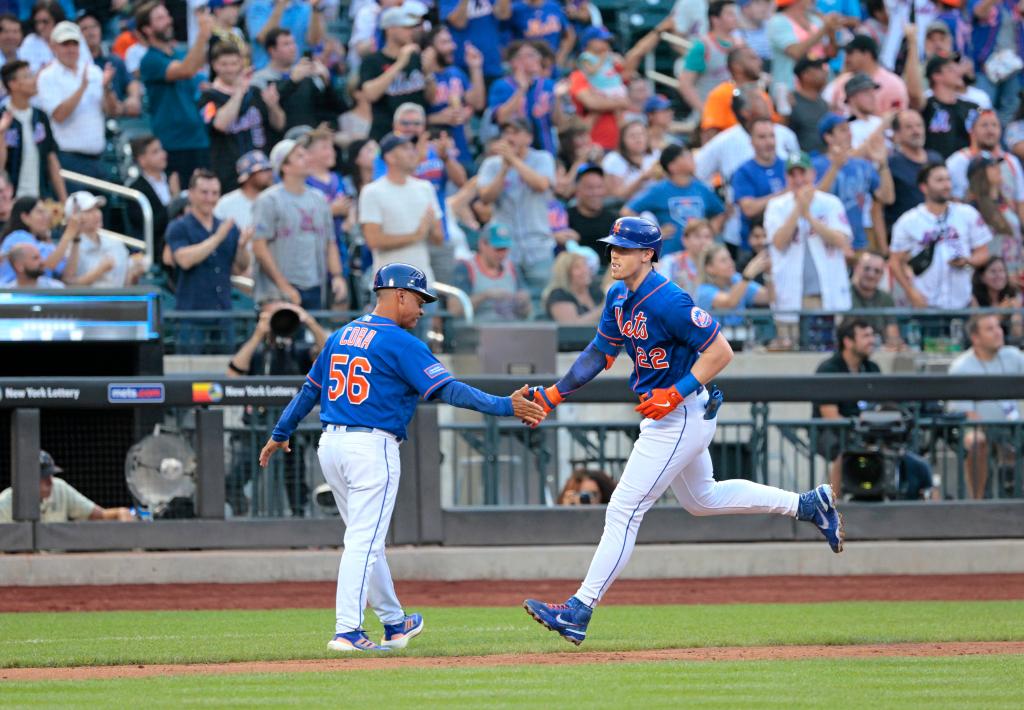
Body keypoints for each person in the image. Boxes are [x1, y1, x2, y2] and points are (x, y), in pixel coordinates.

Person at [521, 216, 845, 647]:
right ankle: (807, 505)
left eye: (623, 248)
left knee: (623, 509)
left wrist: (677, 392)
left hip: (679, 415)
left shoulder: (668, 299)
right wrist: (556, 394)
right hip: (671, 415)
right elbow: (599, 352)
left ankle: (580, 609)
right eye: (612, 246)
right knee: (702, 498)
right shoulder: (618, 294)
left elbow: (720, 350)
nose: (614, 254)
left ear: (648, 254)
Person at [260, 262, 544, 652]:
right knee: (365, 541)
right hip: (371, 447)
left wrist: (280, 431)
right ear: (399, 296)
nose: (423, 308)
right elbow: (449, 390)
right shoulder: (401, 342)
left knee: (365, 537)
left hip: (332, 446)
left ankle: (394, 623)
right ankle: (347, 630)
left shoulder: (343, 334)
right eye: (419, 299)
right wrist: (503, 405)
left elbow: (309, 390)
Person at [813, 318, 934, 498]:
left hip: (869, 429)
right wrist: (858, 431)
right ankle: (832, 507)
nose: (872, 341)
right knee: (844, 451)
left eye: (872, 335)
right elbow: (829, 414)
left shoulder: (872, 368)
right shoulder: (829, 369)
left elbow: (882, 406)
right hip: (833, 432)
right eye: (866, 336)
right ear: (848, 341)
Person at [765, 152, 853, 347]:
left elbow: (841, 241)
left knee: (832, 349)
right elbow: (779, 242)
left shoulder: (830, 203)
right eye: (792, 175)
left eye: (802, 173)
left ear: (812, 174)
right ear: (786, 178)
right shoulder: (776, 206)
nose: (798, 180)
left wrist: (810, 217)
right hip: (792, 296)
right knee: (793, 357)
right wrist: (798, 210)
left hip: (828, 294)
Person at [166, 170, 251, 353]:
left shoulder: (228, 227)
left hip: (223, 315)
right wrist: (217, 238)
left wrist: (242, 246)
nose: (210, 198)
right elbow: (184, 260)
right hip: (191, 317)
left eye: (214, 193)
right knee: (189, 377)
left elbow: (240, 267)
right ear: (191, 194)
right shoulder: (179, 226)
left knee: (225, 376)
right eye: (204, 192)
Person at [252, 138, 341, 310]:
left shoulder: (319, 199)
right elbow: (259, 247)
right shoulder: (269, 200)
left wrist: (337, 276)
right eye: (299, 156)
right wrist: (283, 285)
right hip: (278, 292)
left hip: (315, 285)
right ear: (285, 166)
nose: (307, 158)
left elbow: (330, 242)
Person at [889, 163, 991, 309]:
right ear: (924, 187)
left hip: (961, 301)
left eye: (948, 179)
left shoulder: (967, 213)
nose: (946, 185)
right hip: (926, 303)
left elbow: (983, 253)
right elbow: (894, 262)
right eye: (940, 180)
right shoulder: (908, 221)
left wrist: (967, 261)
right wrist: (911, 292)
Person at [477, 118, 557, 295]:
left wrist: (513, 160)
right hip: (505, 247)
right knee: (510, 302)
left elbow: (541, 185)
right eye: (506, 132)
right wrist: (504, 169)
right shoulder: (492, 164)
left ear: (528, 138)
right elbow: (485, 198)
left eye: (516, 132)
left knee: (541, 301)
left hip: (538, 245)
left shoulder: (542, 158)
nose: (510, 137)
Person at [948, 313, 1024, 499]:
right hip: (976, 427)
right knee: (976, 440)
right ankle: (979, 501)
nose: (998, 333)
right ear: (975, 337)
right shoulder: (961, 367)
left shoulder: (1013, 356)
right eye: (990, 329)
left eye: (998, 327)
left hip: (1013, 426)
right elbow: (964, 411)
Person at [137, 1, 212, 183]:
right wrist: (202, 34)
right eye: (160, 18)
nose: (169, 21)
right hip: (173, 144)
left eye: (167, 16)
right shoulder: (150, 60)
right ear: (147, 29)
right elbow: (185, 70)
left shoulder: (179, 53)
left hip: (199, 138)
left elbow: (195, 70)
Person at [360, 132, 443, 295]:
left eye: (413, 148)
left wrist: (431, 228)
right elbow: (373, 240)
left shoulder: (425, 188)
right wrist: (415, 235)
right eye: (405, 148)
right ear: (390, 157)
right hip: (389, 286)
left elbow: (438, 238)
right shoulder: (372, 192)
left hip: (424, 284)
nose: (413, 152)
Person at [34, 21, 118, 180]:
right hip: (68, 159)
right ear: (53, 47)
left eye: (75, 44)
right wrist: (82, 88)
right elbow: (59, 115)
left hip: (99, 157)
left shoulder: (94, 72)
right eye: (65, 44)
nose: (71, 49)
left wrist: (107, 88)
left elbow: (112, 112)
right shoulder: (47, 76)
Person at [568, 21, 668, 151]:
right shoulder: (579, 75)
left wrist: (658, 31)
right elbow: (592, 103)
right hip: (594, 145)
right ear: (589, 42)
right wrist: (621, 102)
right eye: (602, 40)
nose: (607, 44)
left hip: (619, 146)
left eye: (608, 41)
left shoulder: (611, 66)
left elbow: (635, 56)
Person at [199, 43, 285, 192]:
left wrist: (273, 106)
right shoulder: (207, 97)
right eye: (224, 64)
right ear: (214, 66)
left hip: (262, 171)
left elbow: (279, 125)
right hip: (229, 175)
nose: (230, 69)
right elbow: (220, 124)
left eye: (234, 63)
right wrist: (238, 92)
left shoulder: (255, 92)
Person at [624, 144, 725, 256]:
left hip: (700, 256)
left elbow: (719, 212)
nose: (692, 159)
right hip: (670, 256)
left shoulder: (701, 188)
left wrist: (710, 232)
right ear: (673, 166)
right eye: (686, 156)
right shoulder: (659, 190)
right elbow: (627, 211)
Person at [814, 113, 894, 253]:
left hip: (859, 242)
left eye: (849, 129)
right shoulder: (816, 164)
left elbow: (887, 198)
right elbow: (813, 201)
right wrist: (835, 167)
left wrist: (883, 165)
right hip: (827, 243)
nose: (849, 134)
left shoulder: (862, 165)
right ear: (828, 137)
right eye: (843, 130)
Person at [251, 29, 346, 134]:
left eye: (293, 43)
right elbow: (263, 109)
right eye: (286, 44)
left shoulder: (309, 76)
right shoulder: (260, 79)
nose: (293, 48)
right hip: (279, 142)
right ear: (272, 50)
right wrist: (292, 82)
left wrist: (327, 82)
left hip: (310, 139)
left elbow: (338, 108)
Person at [0, 450, 134, 522]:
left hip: (59, 564)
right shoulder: (4, 502)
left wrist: (120, 512)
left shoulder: (59, 488)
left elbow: (99, 515)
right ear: (26, 480)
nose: (50, 481)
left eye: (50, 475)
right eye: (43, 477)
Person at [359, 5, 429, 142]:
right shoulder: (372, 60)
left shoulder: (416, 57)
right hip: (385, 135)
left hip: (416, 135)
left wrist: (428, 72)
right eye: (406, 28)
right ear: (390, 29)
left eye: (412, 28)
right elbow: (370, 94)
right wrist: (400, 64)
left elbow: (430, 97)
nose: (411, 32)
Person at [0, 60, 67, 202]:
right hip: (10, 200)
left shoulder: (40, 116)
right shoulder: (2, 117)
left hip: (40, 198)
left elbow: (51, 158)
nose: (34, 80)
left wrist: (63, 199)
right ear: (13, 84)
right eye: (27, 76)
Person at [423, 26, 484, 167]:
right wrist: (436, 118)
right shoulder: (420, 77)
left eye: (451, 42)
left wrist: (475, 68)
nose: (453, 46)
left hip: (461, 149)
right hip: (433, 155)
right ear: (429, 49)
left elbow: (478, 103)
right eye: (445, 42)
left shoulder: (455, 72)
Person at [488, 40, 559, 156]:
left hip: (547, 152)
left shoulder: (548, 84)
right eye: (530, 55)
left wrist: (558, 99)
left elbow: (558, 122)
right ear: (514, 62)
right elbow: (501, 118)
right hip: (514, 155)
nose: (536, 59)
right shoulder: (501, 86)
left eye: (536, 55)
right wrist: (521, 89)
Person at [453, 222, 531, 321]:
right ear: (482, 244)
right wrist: (485, 296)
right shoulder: (465, 268)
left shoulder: (512, 268)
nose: (502, 254)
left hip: (510, 328)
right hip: (478, 331)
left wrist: (523, 302)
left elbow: (527, 312)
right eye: (498, 249)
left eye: (505, 249)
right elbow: (454, 310)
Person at [677, 1, 742, 118]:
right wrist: (704, 111)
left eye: (735, 14)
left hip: (736, 112)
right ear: (715, 19)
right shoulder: (702, 46)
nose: (735, 18)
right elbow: (685, 84)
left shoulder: (740, 44)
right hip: (712, 114)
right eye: (730, 14)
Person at [731, 117, 788, 252]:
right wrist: (783, 194)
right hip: (755, 247)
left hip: (787, 242)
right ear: (751, 141)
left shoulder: (788, 167)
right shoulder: (743, 172)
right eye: (762, 137)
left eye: (771, 136)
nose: (768, 142)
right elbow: (749, 209)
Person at [946, 110, 1024, 208]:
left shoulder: (1011, 161)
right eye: (984, 125)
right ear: (972, 130)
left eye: (994, 125)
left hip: (1007, 220)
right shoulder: (956, 162)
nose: (990, 130)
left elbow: (1021, 202)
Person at [967, 156, 1024, 283]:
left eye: (998, 165)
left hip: (1015, 273)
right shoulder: (973, 207)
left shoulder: (1005, 202)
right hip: (991, 278)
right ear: (980, 173)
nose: (998, 169)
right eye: (992, 165)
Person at [700, 46, 775, 141]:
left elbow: (774, 129)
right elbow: (709, 135)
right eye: (752, 58)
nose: (759, 63)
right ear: (737, 66)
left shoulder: (762, 95)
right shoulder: (721, 93)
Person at [886, 109, 944, 233]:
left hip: (937, 231)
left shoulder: (936, 158)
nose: (916, 131)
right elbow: (879, 206)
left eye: (919, 125)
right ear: (896, 134)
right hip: (904, 233)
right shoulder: (891, 163)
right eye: (909, 127)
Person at [967, 0, 1024, 126]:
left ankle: (1000, 141)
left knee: (1011, 109)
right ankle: (982, 139)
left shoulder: (1013, 3)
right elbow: (978, 12)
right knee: (984, 106)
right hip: (986, 66)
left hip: (1013, 65)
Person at [76, 10, 142, 118]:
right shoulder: (76, 66)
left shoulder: (114, 60)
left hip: (119, 121)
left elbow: (131, 82)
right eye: (84, 29)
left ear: (100, 30)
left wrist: (133, 98)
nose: (90, 32)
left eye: (94, 27)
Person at [767, 0, 840, 96]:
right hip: (791, 88)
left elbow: (831, 53)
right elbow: (795, 52)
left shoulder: (815, 20)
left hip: (821, 83)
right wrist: (824, 29)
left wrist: (831, 32)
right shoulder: (777, 21)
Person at [62, 191, 132, 288]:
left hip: (118, 301)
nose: (97, 214)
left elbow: (126, 283)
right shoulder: (68, 247)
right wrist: (99, 271)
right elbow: (69, 284)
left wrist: (135, 272)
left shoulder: (116, 243)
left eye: (97, 209)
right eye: (89, 211)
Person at [0, 195, 77, 283]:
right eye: (40, 212)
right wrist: (69, 233)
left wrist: (76, 239)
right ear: (25, 217)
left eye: (45, 212)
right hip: (13, 294)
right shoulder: (17, 237)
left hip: (40, 293)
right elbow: (44, 266)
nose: (46, 216)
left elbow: (68, 274)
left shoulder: (42, 242)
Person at [824, 34, 909, 112]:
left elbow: (897, 120)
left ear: (866, 54)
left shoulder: (892, 84)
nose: (846, 59)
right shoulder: (843, 81)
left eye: (850, 53)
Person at [127, 134, 176, 268]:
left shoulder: (174, 179)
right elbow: (148, 225)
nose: (163, 154)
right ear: (142, 160)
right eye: (155, 152)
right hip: (157, 248)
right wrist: (175, 200)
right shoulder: (135, 190)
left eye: (161, 150)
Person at [697, 243, 772, 331]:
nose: (730, 263)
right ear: (709, 268)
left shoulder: (737, 279)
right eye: (723, 260)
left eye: (729, 258)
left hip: (741, 339)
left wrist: (768, 274)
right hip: (715, 341)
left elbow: (767, 297)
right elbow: (729, 302)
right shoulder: (703, 291)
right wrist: (747, 276)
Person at [922, 55, 980, 160]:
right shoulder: (926, 106)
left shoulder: (973, 107)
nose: (959, 72)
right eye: (951, 69)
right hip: (936, 168)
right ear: (936, 76)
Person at [246, 0, 324, 71]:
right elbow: (264, 38)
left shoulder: (304, 8)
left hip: (296, 74)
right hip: (265, 75)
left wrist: (315, 8)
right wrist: (281, 4)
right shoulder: (258, 5)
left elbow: (314, 41)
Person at [568, 163, 618, 264]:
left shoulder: (614, 220)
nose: (596, 192)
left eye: (599, 187)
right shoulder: (566, 218)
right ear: (577, 190)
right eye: (590, 188)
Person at [215, 150, 274, 233]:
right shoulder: (226, 203)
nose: (269, 174)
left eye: (269, 169)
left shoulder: (273, 200)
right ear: (248, 176)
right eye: (263, 170)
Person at [601, 122, 660, 202]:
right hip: (625, 206)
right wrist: (642, 178)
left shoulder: (656, 155)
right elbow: (616, 196)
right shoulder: (613, 159)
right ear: (622, 140)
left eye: (641, 134)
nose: (638, 139)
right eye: (632, 136)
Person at [971, 256, 1023, 343]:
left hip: (1008, 348)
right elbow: (978, 332)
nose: (999, 275)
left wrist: (1016, 313)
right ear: (982, 277)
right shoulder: (974, 297)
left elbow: (1017, 337)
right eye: (993, 271)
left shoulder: (1012, 295)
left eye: (1001, 271)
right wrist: (1000, 314)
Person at [542, 250, 603, 324]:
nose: (585, 270)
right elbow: (572, 328)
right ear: (565, 273)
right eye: (577, 267)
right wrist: (603, 309)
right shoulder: (559, 295)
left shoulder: (594, 290)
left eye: (585, 265)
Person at [657, 218, 715, 295]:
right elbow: (662, 291)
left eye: (707, 237)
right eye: (697, 236)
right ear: (684, 240)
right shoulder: (671, 261)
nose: (703, 241)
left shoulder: (718, 263)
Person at [506, 0, 575, 66]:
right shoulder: (516, 9)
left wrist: (560, 57)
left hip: (551, 63)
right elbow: (503, 39)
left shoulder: (554, 6)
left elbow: (570, 34)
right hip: (526, 66)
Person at [787, 56, 830, 155]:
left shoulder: (824, 104)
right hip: (802, 162)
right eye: (818, 68)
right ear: (805, 75)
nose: (825, 72)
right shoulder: (791, 101)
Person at [0, 242, 65, 288]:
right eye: (35, 258)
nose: (42, 262)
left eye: (40, 257)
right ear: (19, 266)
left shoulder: (56, 289)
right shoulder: (6, 295)